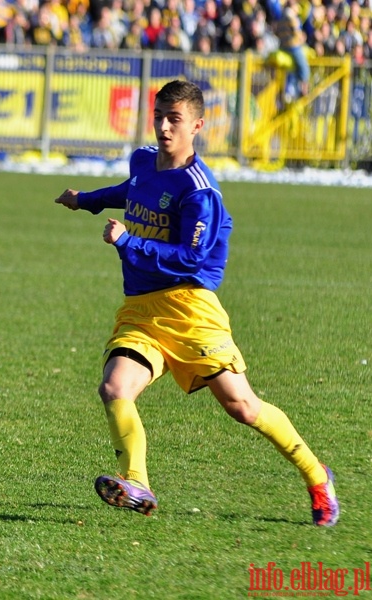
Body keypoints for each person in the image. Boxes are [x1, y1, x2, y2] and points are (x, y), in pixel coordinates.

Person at [54, 80, 339, 527]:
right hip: (141, 309)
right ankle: (137, 482)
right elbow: (133, 189)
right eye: (159, 116)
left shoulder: (200, 191)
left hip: (190, 309)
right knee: (114, 388)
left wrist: (128, 242)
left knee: (242, 407)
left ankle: (316, 474)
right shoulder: (143, 160)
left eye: (175, 119)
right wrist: (85, 201)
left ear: (198, 126)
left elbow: (191, 259)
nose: (164, 127)